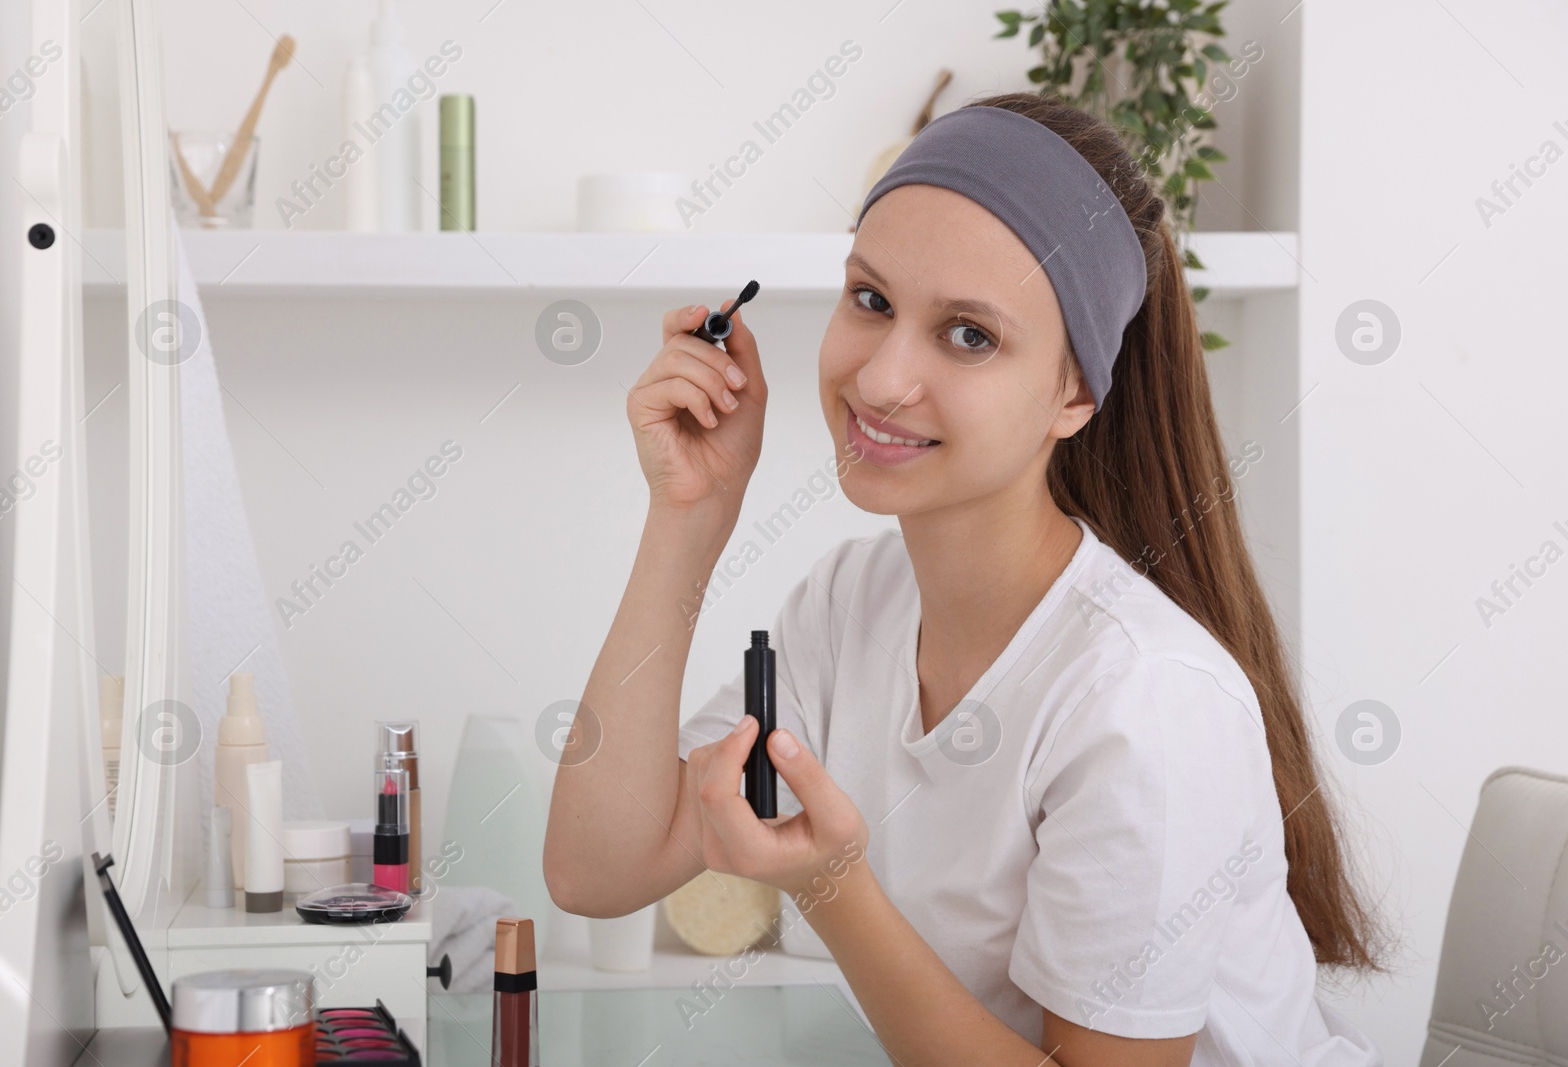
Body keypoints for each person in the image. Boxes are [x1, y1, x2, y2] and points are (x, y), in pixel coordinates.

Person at [544, 92, 1386, 1066]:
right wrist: (688, 516)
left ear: (1074, 392)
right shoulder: (849, 605)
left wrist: (834, 889)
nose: (882, 378)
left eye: (969, 335)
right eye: (871, 300)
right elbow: (596, 866)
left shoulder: (1144, 699)